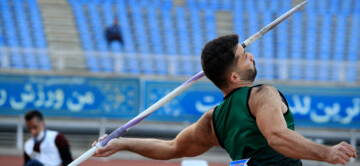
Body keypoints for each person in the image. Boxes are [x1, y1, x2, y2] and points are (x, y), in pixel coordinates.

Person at [92, 34, 357, 165]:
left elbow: (173, 148)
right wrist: (327, 152)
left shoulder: (213, 119)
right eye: (244, 56)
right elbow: (276, 136)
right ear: (233, 76)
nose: (251, 56)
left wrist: (123, 143)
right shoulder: (262, 95)